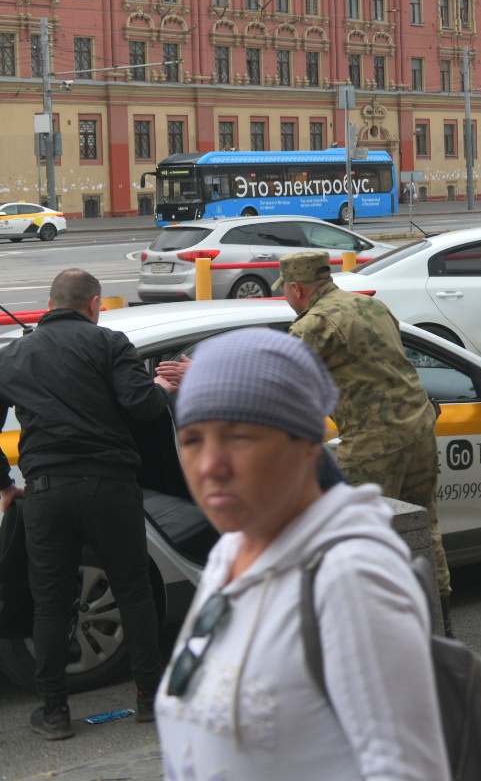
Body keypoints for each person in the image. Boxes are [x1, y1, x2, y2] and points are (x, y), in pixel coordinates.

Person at [155, 328, 449, 781]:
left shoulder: (349, 578)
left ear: (306, 444)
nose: (210, 464)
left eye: (239, 437)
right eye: (193, 440)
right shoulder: (230, 550)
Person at [0, 269, 174, 739]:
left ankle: (55, 713)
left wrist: (3, 486)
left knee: (51, 603)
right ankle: (147, 699)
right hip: (110, 488)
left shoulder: (12, 356)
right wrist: (164, 388)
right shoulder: (110, 343)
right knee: (134, 593)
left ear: (50, 302)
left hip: (46, 493)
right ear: (94, 304)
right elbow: (142, 405)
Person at [277, 251, 451, 599]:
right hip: (419, 429)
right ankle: (439, 616)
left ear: (296, 288)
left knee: (364, 536)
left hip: (375, 445)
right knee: (423, 526)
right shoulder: (372, 306)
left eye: (285, 290)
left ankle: (378, 624)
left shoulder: (315, 324)